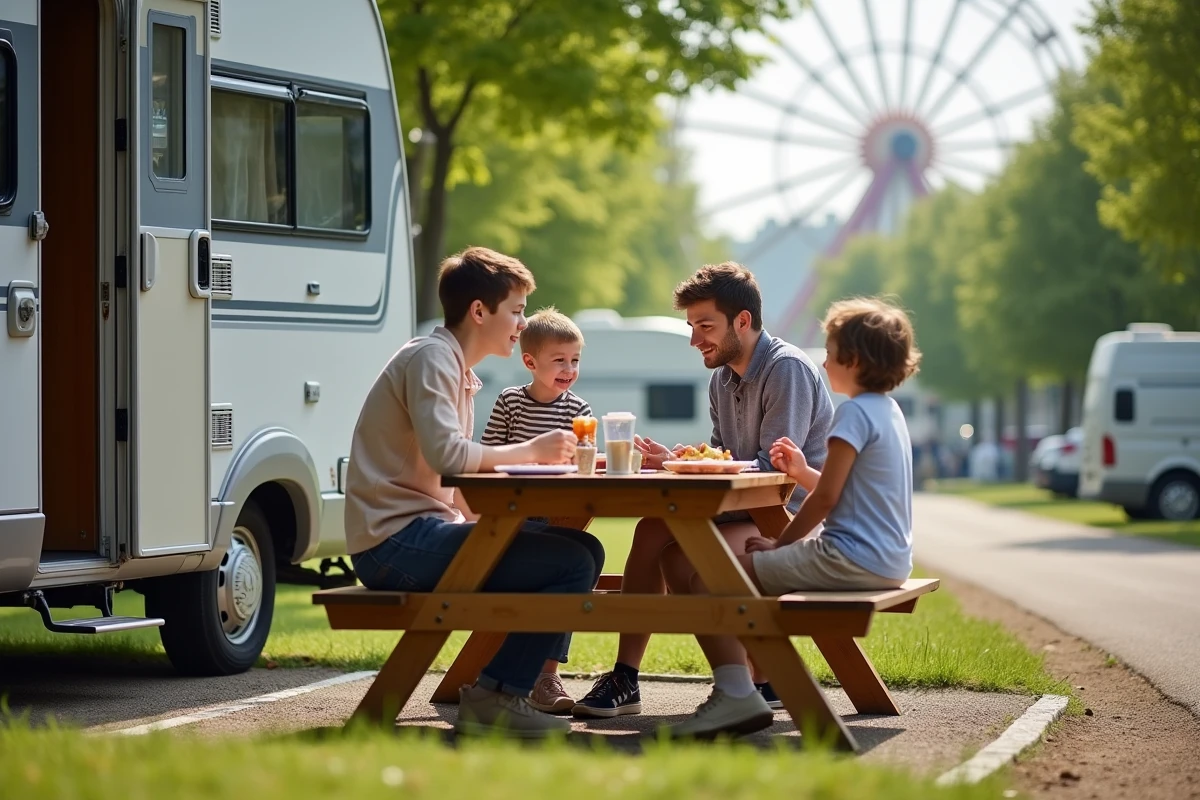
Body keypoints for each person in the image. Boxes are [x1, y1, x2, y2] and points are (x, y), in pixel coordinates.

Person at [343, 246, 605, 739]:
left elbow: (455, 478)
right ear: (479, 311)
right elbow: (450, 457)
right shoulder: (431, 359)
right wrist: (534, 452)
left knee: (582, 549)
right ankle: (497, 696)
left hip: (420, 532)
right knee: (571, 563)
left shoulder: (454, 368)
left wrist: (480, 523)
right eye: (517, 311)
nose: (522, 324)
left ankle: (500, 689)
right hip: (393, 542)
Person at [572, 262, 835, 718]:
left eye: (705, 326)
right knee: (653, 531)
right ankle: (630, 678)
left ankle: (754, 680)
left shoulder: (785, 369)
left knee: (679, 551)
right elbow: (722, 456)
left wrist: (680, 462)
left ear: (743, 321)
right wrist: (675, 458)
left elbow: (777, 472)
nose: (695, 340)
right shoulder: (721, 378)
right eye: (691, 327)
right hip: (745, 506)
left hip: (790, 516)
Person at [659, 296, 923, 739]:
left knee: (712, 579)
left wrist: (781, 545)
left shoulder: (853, 416)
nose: (823, 360)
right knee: (725, 574)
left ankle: (735, 693)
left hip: (848, 559)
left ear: (854, 360)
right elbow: (844, 490)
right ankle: (750, 685)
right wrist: (801, 472)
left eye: (832, 351)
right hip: (890, 559)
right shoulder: (887, 412)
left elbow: (824, 503)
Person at [480, 307, 593, 714]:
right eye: (559, 360)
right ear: (530, 362)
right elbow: (488, 457)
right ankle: (513, 673)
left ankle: (547, 674)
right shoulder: (510, 402)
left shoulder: (577, 410)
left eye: (575, 360)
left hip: (556, 512)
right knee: (561, 565)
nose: (569, 369)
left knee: (579, 554)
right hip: (511, 516)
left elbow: (585, 464)